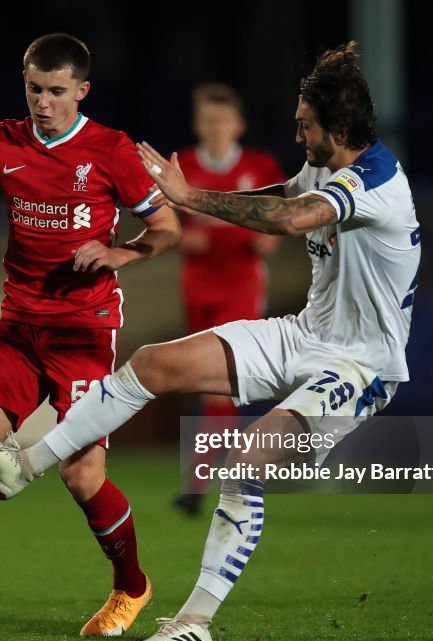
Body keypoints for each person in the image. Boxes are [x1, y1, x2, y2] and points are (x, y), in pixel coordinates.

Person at [0, 42, 421, 641]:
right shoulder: (326, 166)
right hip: (305, 335)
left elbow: (292, 221)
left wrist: (189, 197)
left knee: (244, 466)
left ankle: (194, 624)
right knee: (154, 363)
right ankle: (23, 468)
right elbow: (283, 199)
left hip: (362, 366)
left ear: (337, 130)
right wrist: (188, 191)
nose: (295, 130)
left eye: (304, 123)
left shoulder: (376, 180)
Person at [0, 33, 180, 640]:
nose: (42, 102)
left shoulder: (110, 150)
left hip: (84, 333)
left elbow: (167, 227)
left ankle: (132, 586)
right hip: (18, 328)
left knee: (82, 475)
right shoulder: (3, 141)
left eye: (54, 91)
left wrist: (116, 253)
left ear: (81, 90)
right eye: (33, 89)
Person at [172, 83, 287, 516]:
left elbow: (281, 218)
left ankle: (199, 484)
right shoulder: (182, 171)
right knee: (210, 385)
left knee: (222, 385)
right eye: (207, 120)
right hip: (198, 286)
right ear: (197, 124)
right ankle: (240, 476)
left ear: (238, 125)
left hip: (241, 284)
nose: (215, 128)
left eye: (222, 120)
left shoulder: (259, 168)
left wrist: (269, 241)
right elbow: (163, 219)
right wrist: (183, 236)